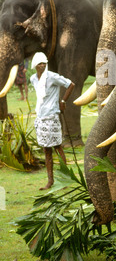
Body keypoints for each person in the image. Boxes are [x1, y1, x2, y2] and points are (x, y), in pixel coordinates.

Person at [30, 52, 75, 190]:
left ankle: (65, 179)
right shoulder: (33, 79)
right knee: (46, 150)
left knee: (57, 147)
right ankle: (50, 181)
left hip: (52, 117)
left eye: (44, 63)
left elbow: (70, 84)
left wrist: (63, 101)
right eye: (40, 64)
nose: (42, 66)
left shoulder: (52, 77)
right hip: (41, 118)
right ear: (35, 66)